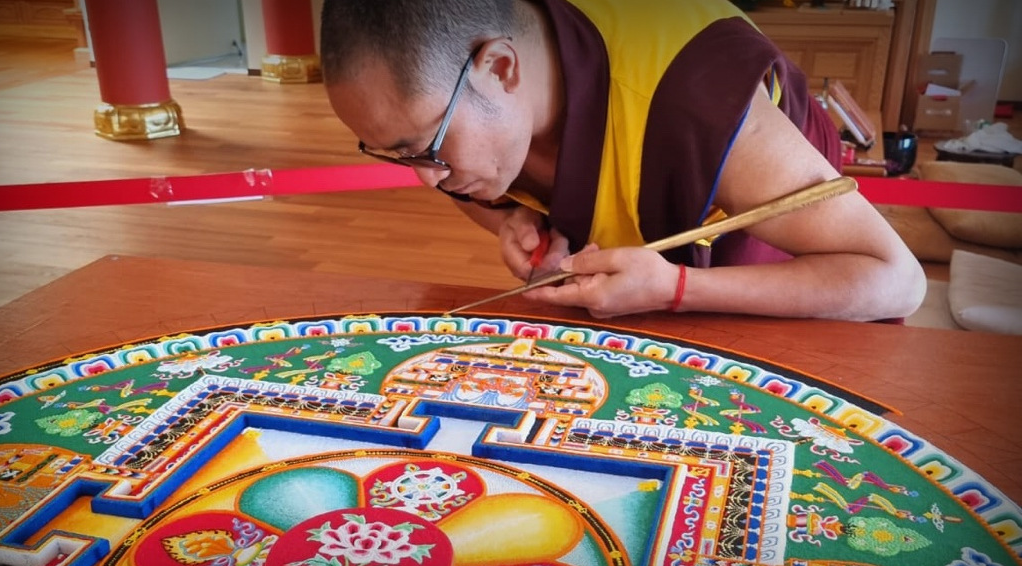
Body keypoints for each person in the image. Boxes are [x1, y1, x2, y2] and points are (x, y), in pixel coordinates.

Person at [319, 0, 926, 321]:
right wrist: (510, 218)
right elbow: (486, 183)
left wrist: (678, 288)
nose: (428, 178)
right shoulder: (481, 93)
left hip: (768, 259)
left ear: (501, 67)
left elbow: (896, 280)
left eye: (428, 147)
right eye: (396, 154)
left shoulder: (693, 98)